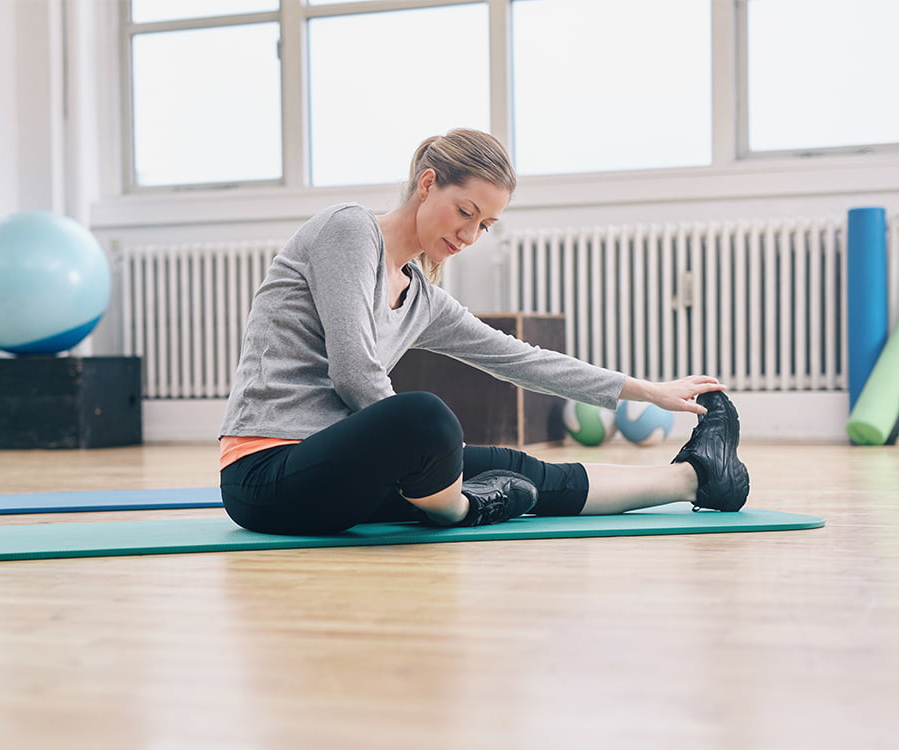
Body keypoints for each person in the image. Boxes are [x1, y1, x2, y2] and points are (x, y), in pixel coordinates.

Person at [217, 128, 750, 536]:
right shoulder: (349, 230)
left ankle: (698, 479)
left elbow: (522, 359)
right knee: (423, 418)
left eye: (485, 226)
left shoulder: (422, 298)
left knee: (514, 467)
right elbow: (355, 373)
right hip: (267, 473)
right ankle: (462, 509)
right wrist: (426, 459)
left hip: (346, 477)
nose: (469, 236)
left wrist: (651, 392)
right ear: (428, 184)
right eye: (465, 213)